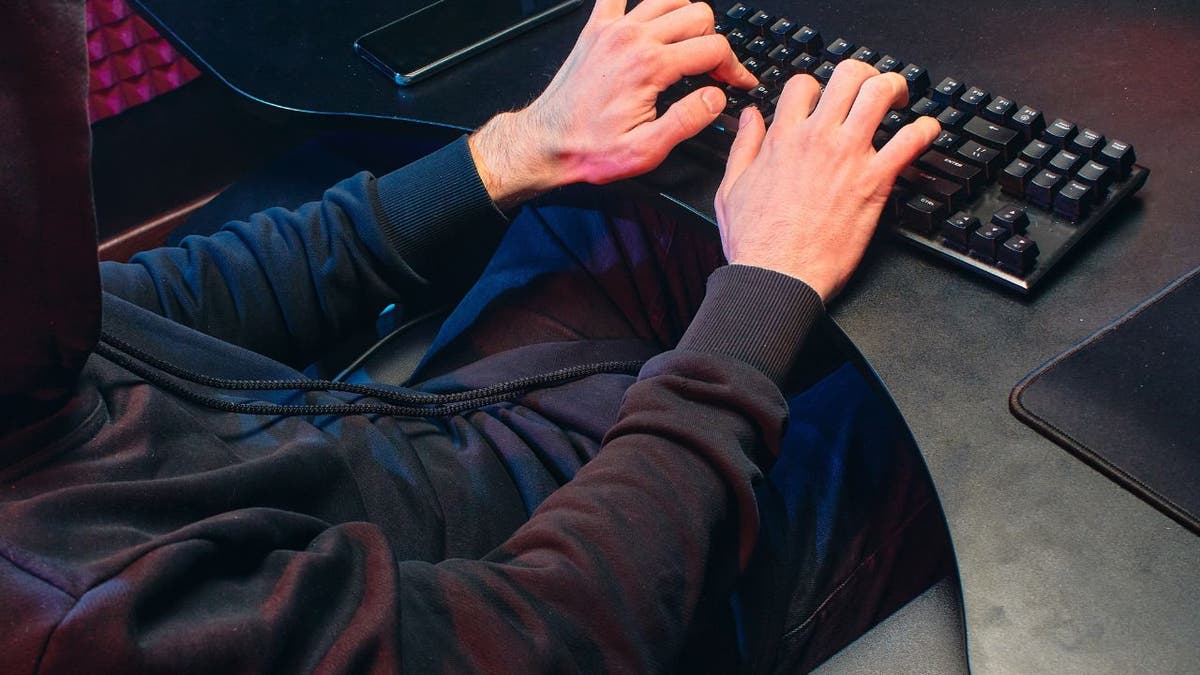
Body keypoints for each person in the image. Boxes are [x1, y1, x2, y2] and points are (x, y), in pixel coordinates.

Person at [0, 0, 950, 673]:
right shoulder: (75, 621)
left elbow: (164, 298)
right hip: (599, 600)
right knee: (934, 409)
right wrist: (765, 293)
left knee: (635, 203)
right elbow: (549, 635)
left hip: (428, 449)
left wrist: (521, 146)